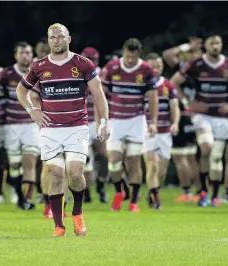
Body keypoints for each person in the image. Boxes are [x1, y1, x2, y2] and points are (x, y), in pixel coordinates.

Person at [16, 23, 110, 237]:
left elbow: (98, 94)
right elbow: (21, 90)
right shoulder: (39, 66)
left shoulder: (83, 63)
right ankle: (59, 225)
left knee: (75, 173)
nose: (56, 40)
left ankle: (77, 212)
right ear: (48, 40)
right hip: (50, 129)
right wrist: (32, 109)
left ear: (68, 39)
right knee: (56, 175)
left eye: (60, 36)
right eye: (52, 37)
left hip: (77, 127)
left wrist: (104, 122)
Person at [170, 35, 228, 207]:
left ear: (222, 45)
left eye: (218, 43)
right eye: (212, 43)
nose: (215, 46)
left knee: (217, 157)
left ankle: (214, 196)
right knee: (206, 146)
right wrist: (187, 102)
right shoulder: (197, 63)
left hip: (222, 117)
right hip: (203, 116)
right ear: (206, 46)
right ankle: (203, 190)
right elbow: (173, 83)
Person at [0, 42, 39, 210]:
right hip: (12, 126)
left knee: (29, 160)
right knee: (14, 165)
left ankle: (26, 198)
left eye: (28, 52)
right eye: (22, 53)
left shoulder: (40, 70)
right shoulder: (7, 73)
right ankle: (19, 196)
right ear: (15, 55)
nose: (25, 55)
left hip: (32, 124)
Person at [101, 38, 158, 213]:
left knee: (134, 161)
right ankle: (120, 192)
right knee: (114, 162)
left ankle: (134, 202)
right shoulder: (111, 67)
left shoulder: (146, 69)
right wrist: (102, 121)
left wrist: (153, 122)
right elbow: (101, 96)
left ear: (138, 55)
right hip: (116, 120)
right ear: (123, 53)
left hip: (136, 120)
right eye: (127, 56)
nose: (130, 60)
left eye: (133, 57)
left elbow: (153, 97)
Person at [143, 53, 180, 209]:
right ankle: (156, 199)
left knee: (162, 170)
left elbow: (175, 107)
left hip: (165, 132)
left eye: (159, 66)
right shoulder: (141, 84)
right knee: (153, 164)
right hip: (148, 132)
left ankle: (153, 191)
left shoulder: (168, 86)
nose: (156, 69)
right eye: (153, 66)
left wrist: (175, 123)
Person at [80, 46, 108, 203]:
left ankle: (101, 185)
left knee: (103, 155)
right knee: (85, 159)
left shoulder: (101, 74)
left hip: (96, 121)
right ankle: (86, 190)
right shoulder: (75, 72)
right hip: (82, 120)